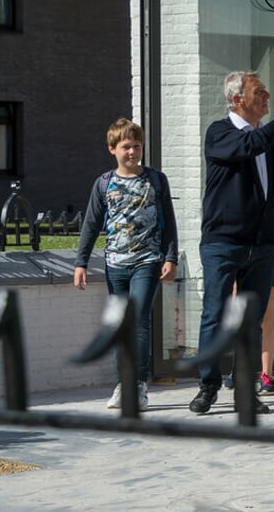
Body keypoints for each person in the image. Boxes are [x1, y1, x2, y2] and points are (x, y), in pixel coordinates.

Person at [189, 73, 274, 416]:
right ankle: (208, 385)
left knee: (253, 320)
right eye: (258, 91)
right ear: (237, 100)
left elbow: (272, 194)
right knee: (215, 314)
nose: (267, 95)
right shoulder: (220, 133)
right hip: (222, 242)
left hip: (261, 247)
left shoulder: (269, 147)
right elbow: (248, 145)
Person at [73, 118, 178, 411]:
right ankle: (124, 384)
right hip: (115, 263)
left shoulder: (156, 180)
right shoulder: (104, 183)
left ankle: (139, 384)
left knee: (138, 322)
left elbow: (168, 221)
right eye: (126, 147)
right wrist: (80, 262)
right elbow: (91, 224)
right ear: (112, 149)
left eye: (137, 146)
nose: (132, 152)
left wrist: (170, 257)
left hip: (148, 260)